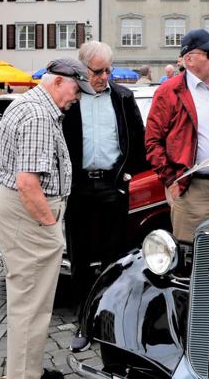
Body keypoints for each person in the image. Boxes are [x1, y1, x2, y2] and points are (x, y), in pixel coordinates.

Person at [0, 58, 94, 379]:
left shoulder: (29, 104)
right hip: (30, 214)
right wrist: (51, 225)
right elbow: (28, 183)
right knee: (30, 308)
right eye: (76, 89)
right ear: (58, 83)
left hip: (22, 213)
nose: (77, 97)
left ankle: (28, 374)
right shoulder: (37, 116)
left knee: (30, 304)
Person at [63, 42, 148, 306]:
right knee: (80, 257)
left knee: (115, 256)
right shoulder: (70, 98)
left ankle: (109, 313)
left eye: (107, 71)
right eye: (97, 72)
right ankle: (83, 316)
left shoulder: (122, 97)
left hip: (113, 186)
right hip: (79, 187)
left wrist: (127, 175)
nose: (103, 78)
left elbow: (138, 140)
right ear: (82, 69)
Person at [145, 29, 209, 243]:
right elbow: (152, 142)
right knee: (194, 256)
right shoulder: (169, 91)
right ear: (189, 59)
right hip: (194, 189)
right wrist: (171, 180)